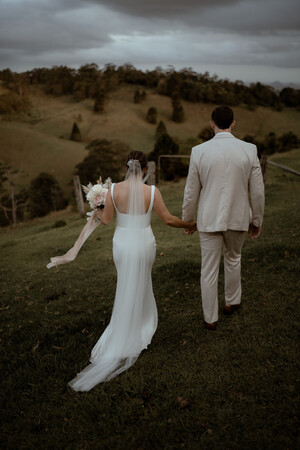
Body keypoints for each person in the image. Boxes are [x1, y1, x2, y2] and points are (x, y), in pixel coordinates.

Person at [68, 151, 196, 391]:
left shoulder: (112, 190)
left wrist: (97, 206)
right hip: (144, 243)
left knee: (126, 282)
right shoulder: (152, 191)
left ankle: (127, 323)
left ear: (125, 167)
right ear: (145, 169)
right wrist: (191, 224)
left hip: (122, 244)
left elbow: (106, 221)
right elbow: (168, 219)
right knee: (142, 281)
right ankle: (141, 322)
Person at [182, 106, 265, 331]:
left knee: (208, 269)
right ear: (233, 123)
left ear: (212, 123)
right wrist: (256, 220)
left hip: (208, 218)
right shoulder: (249, 150)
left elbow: (191, 191)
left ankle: (210, 318)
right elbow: (257, 191)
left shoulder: (199, 151)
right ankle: (233, 301)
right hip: (238, 217)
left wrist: (188, 220)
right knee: (233, 258)